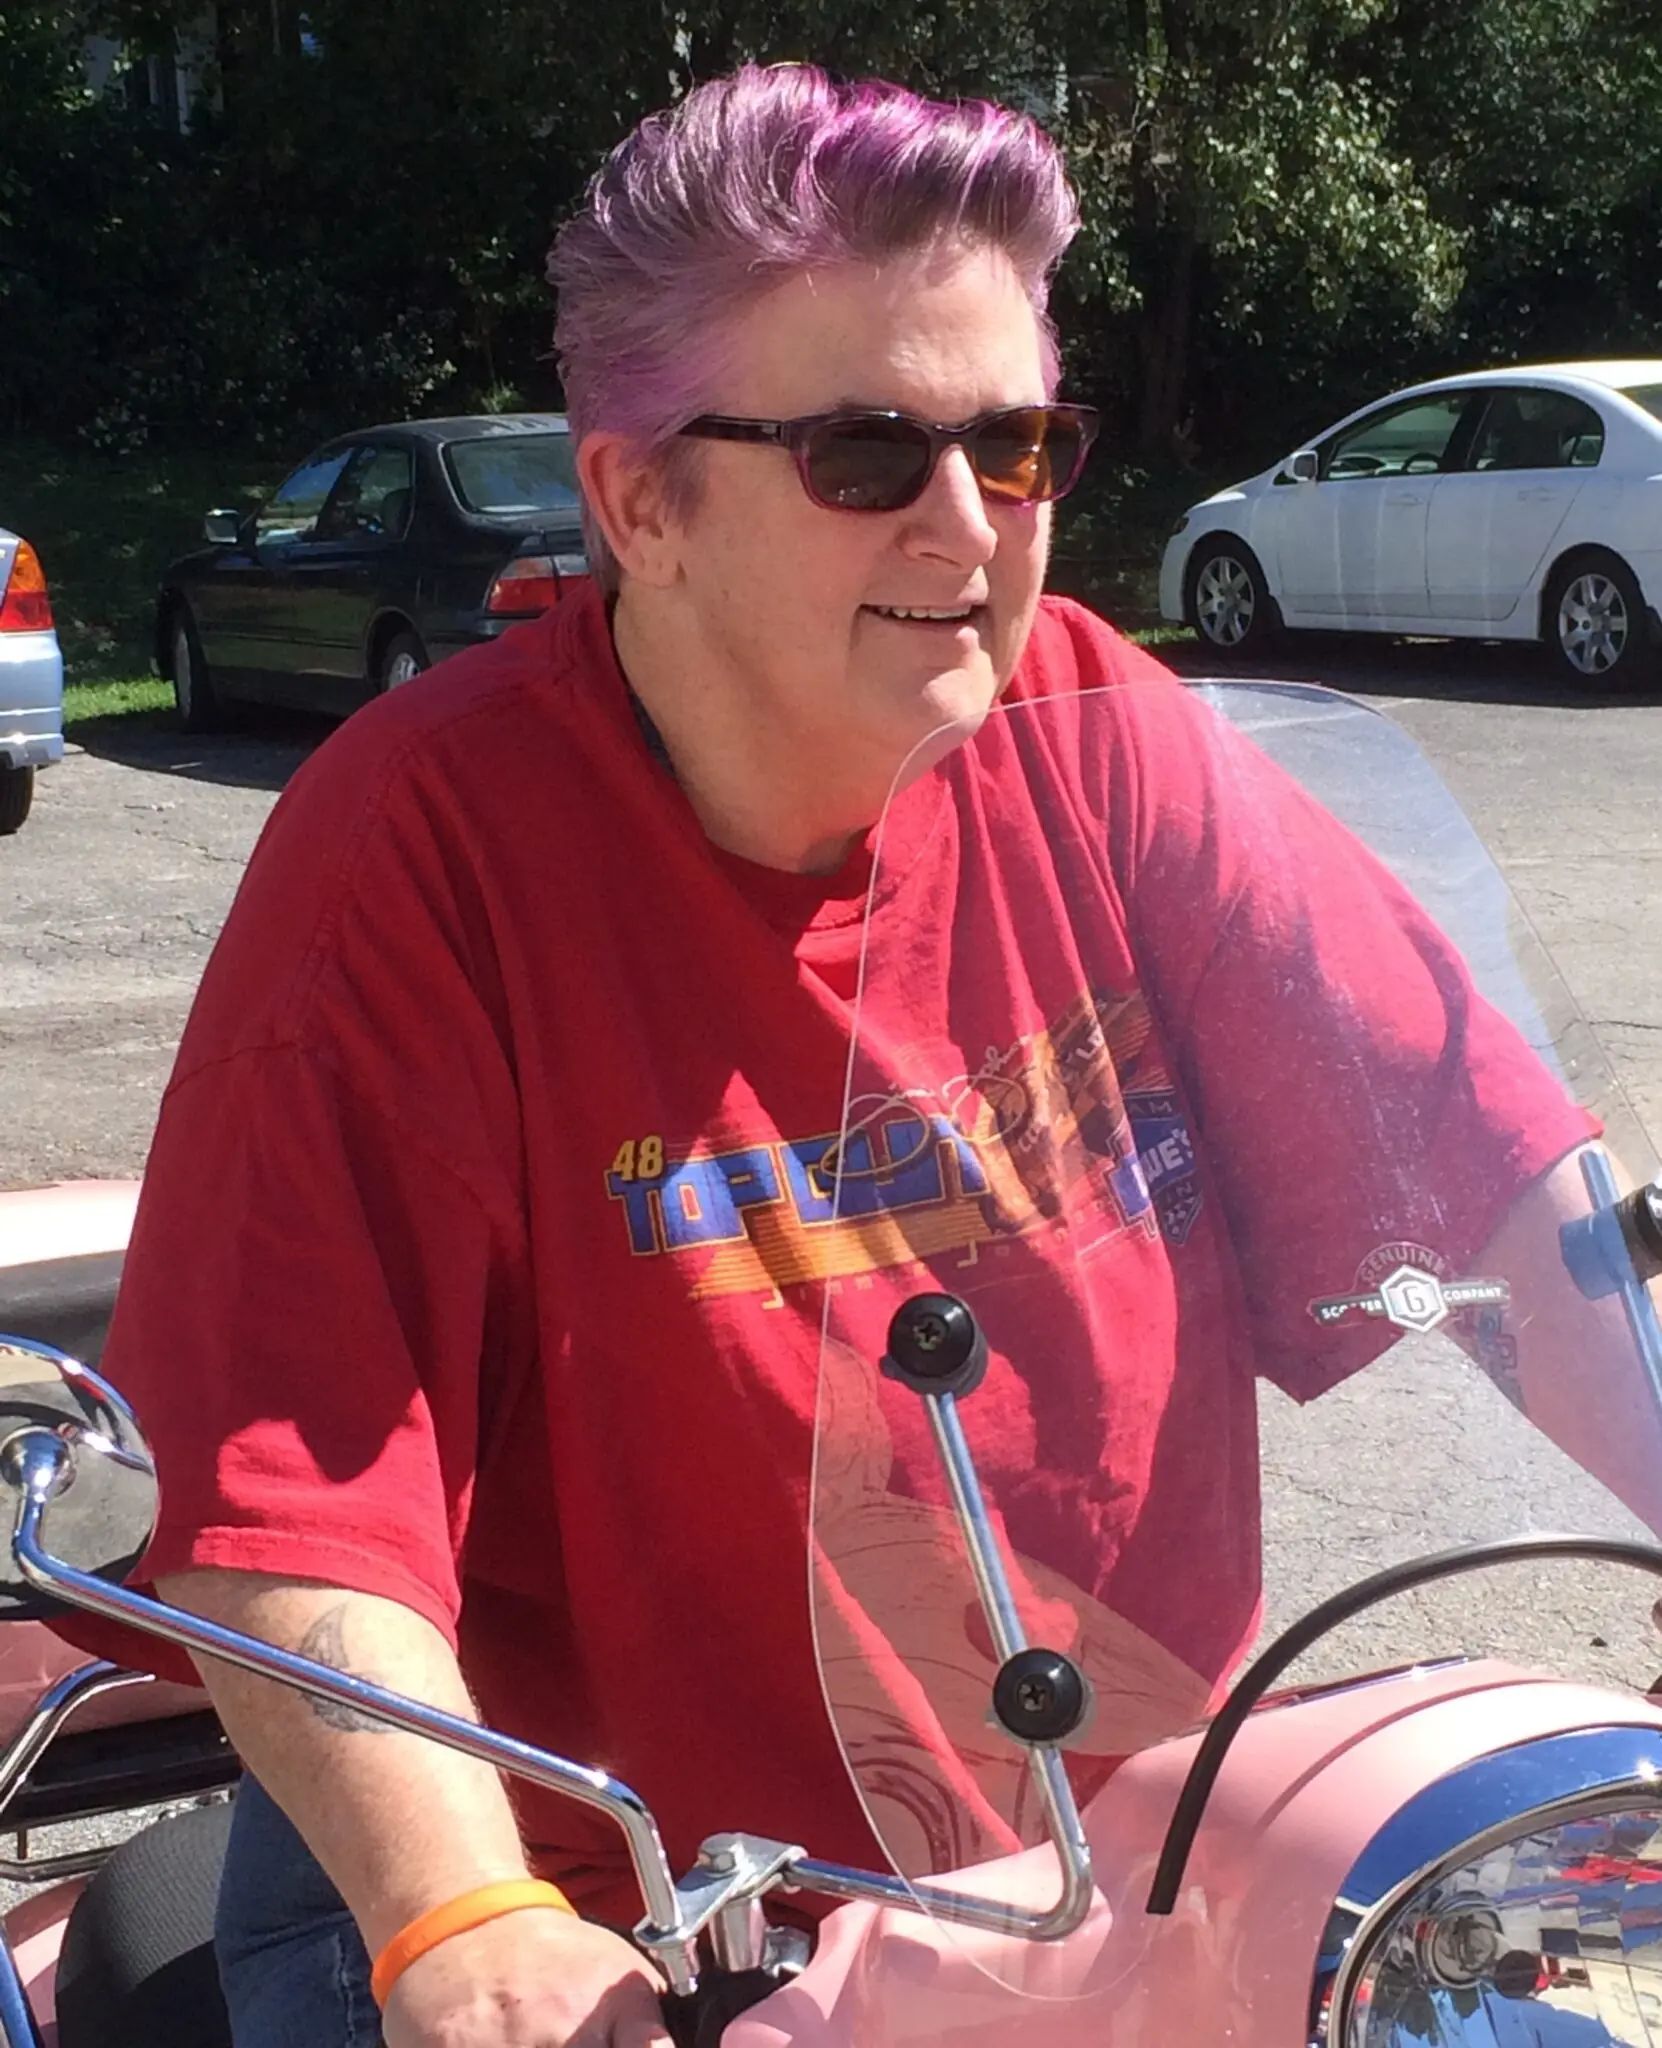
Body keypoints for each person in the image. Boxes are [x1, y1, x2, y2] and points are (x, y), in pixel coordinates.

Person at [51, 60, 1616, 2048]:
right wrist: (459, 1918)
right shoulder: (420, 848)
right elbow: (290, 1503)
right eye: (869, 454)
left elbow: (1496, 1180)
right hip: (633, 1919)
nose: (969, 524)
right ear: (641, 503)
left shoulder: (1104, 736)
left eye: (1020, 443)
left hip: (1095, 1877)